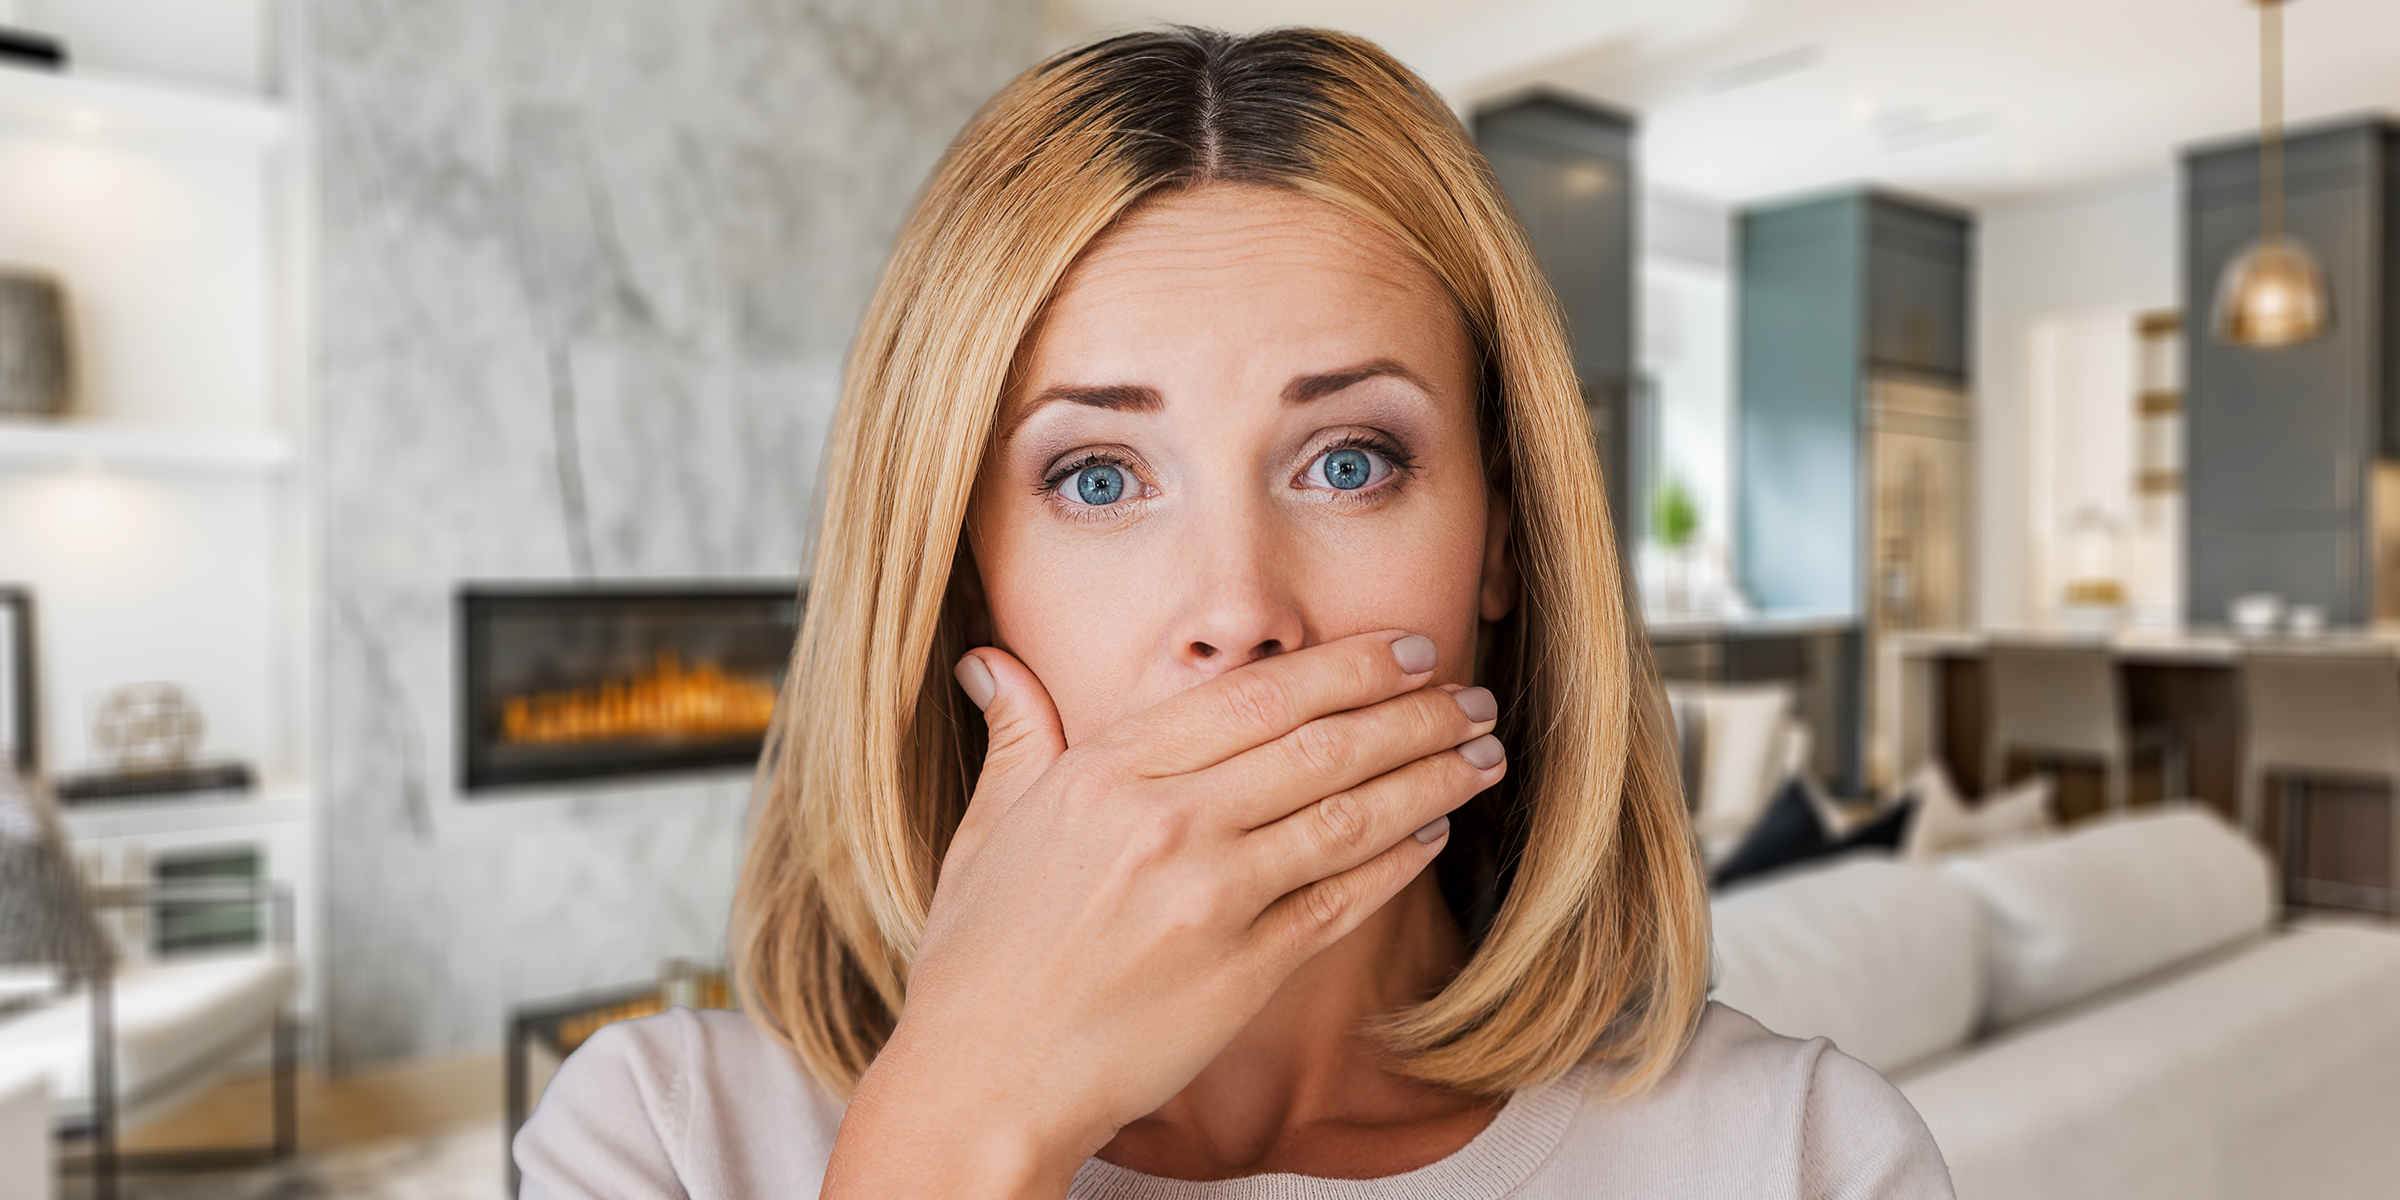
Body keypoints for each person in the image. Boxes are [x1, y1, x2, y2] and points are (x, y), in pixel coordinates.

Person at [515, 25, 1953, 1199]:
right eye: (1095, 475)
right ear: (960, 581)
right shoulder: (664, 1140)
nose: (1237, 613)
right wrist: (960, 1122)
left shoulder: (1803, 1159)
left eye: (1348, 463)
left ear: (1502, 546)